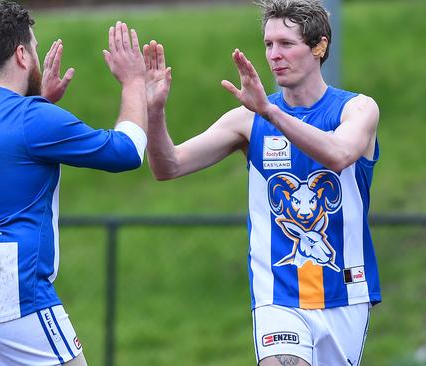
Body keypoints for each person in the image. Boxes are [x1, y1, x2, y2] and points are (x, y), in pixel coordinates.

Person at [143, 0, 380, 364]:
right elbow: (169, 166)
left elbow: (338, 154)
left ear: (319, 46)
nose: (274, 55)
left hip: (345, 292)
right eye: (269, 44)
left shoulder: (357, 109)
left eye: (286, 44)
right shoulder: (247, 120)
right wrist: (155, 111)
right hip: (278, 295)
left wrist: (271, 112)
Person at [0, 1, 147, 365]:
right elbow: (127, 152)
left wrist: (40, 103)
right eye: (36, 49)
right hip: (13, 299)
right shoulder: (31, 119)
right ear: (22, 55)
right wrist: (135, 83)